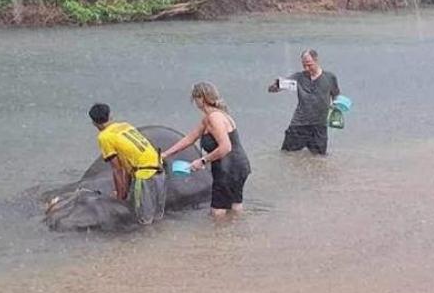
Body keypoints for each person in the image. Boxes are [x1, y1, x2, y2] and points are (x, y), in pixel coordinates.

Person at [162, 82, 251, 216]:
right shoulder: (217, 115)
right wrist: (166, 154)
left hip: (227, 169)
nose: (194, 102)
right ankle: (236, 234)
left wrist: (202, 161)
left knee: (217, 213)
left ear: (201, 99)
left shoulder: (214, 118)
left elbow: (226, 147)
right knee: (234, 207)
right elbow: (190, 139)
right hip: (239, 166)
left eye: (195, 98)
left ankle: (218, 236)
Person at [88, 103, 167, 225]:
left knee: (144, 219)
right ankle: (159, 241)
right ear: (110, 116)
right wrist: (126, 189)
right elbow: (129, 160)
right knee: (157, 216)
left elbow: (117, 169)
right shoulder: (125, 126)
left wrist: (120, 198)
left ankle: (145, 242)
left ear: (93, 123)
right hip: (159, 168)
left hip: (144, 174)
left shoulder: (104, 137)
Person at [269, 48, 340, 154]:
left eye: (309, 64)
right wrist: (275, 85)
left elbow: (335, 95)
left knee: (319, 160)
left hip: (319, 125)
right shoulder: (298, 77)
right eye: (304, 65)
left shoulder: (330, 77)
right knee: (286, 155)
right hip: (299, 124)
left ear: (316, 60)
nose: (307, 68)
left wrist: (335, 108)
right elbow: (273, 89)